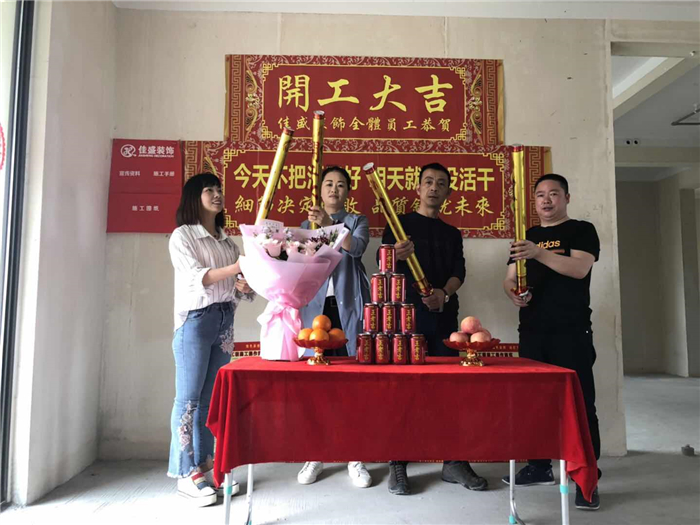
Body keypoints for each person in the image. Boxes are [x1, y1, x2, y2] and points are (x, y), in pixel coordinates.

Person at [381, 162, 487, 495]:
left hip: (443, 318)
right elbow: (383, 267)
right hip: (404, 321)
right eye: (428, 182)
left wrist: (444, 293)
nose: (434, 188)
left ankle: (453, 462)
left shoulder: (452, 233)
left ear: (448, 193)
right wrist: (395, 254)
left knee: (447, 392)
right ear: (418, 188)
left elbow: (459, 271)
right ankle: (398, 463)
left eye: (441, 183)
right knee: (402, 391)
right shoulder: (399, 226)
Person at [501, 173, 601, 511]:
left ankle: (587, 480)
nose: (546, 200)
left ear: (566, 198)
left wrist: (538, 253)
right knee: (534, 402)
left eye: (554, 193)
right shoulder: (527, 236)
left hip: (571, 331)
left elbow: (579, 269)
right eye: (540, 194)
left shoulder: (581, 230)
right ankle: (539, 466)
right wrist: (513, 293)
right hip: (532, 331)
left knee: (581, 404)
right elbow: (510, 277)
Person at [167, 172, 255, 507]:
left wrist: (243, 283)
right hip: (194, 321)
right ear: (195, 197)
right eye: (209, 190)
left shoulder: (226, 242)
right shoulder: (183, 236)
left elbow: (237, 285)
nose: (217, 194)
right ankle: (185, 472)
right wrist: (235, 269)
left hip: (223, 320)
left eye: (219, 189)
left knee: (208, 399)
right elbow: (195, 278)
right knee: (188, 399)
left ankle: (204, 465)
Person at [297, 165, 373, 488]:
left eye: (340, 184)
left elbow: (357, 248)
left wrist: (329, 225)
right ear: (319, 189)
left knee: (350, 383)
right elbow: (300, 263)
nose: (333, 189)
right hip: (314, 310)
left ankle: (355, 455)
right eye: (328, 183)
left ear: (347, 192)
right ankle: (316, 453)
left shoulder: (357, 221)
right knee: (317, 386)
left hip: (347, 309)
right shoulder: (306, 224)